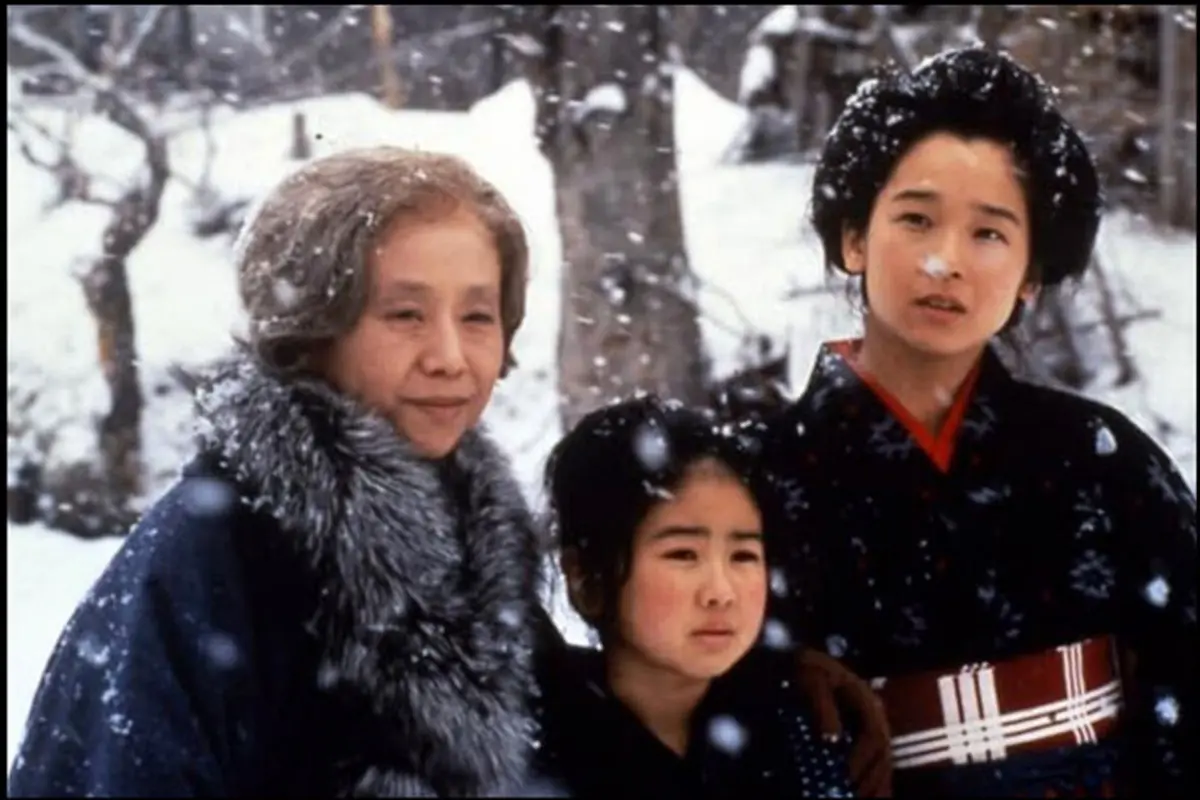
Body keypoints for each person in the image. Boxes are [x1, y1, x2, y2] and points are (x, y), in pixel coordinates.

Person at [8, 147, 547, 797]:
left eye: (478, 317)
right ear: (312, 331)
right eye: (405, 315)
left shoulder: (483, 536)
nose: (450, 357)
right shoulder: (215, 551)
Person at [757, 47, 1197, 797]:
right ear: (854, 236)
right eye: (916, 219)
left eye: (989, 233)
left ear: (1031, 274)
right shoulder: (756, 480)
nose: (944, 261)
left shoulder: (1102, 462)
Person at [534, 396, 859, 798]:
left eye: (743, 556)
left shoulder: (809, 739)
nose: (721, 592)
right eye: (683, 555)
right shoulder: (523, 755)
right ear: (587, 579)